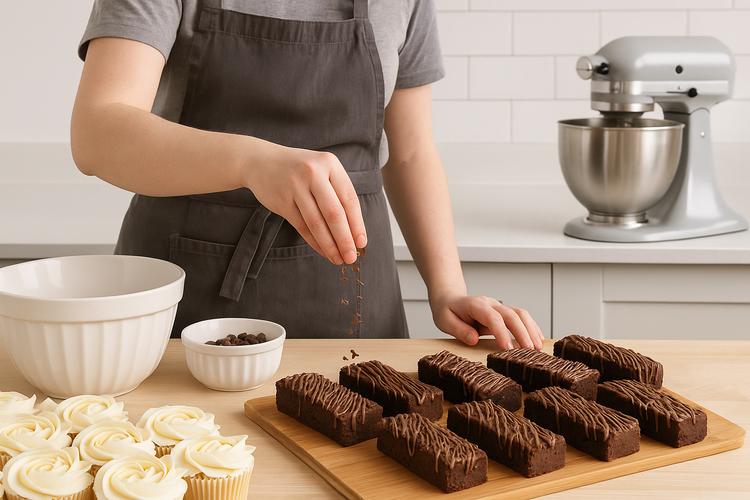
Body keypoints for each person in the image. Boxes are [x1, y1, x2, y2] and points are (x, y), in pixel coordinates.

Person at [70, 0, 544, 350]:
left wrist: (447, 289)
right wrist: (252, 162)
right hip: (178, 304)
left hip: (354, 305)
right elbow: (96, 133)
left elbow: (410, 154)